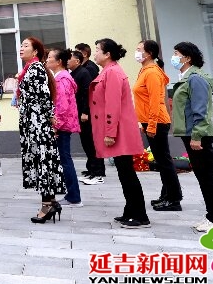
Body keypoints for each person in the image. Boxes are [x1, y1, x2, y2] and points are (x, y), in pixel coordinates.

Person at [90, 38, 148, 229]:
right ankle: (130, 210)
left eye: (97, 50)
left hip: (119, 130)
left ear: (107, 54)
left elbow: (113, 105)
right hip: (118, 129)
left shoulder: (113, 72)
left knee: (127, 173)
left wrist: (110, 132)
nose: (95, 53)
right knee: (124, 172)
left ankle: (140, 215)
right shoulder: (108, 71)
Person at [170, 41, 213, 233]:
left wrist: (197, 136)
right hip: (191, 133)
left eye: (177, 53)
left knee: (208, 175)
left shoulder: (195, 78)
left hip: (198, 134)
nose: (174, 57)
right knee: (203, 175)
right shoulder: (186, 77)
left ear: (187, 58)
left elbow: (200, 110)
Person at [18, 37, 65, 224]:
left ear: (35, 51)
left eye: (26, 46)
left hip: (38, 124)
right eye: (21, 45)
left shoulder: (36, 68)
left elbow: (44, 96)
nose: (21, 48)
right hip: (33, 123)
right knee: (42, 161)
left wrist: (50, 117)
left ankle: (47, 205)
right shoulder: (30, 68)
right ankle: (51, 201)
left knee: (43, 162)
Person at [133, 40, 182, 213]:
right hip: (150, 121)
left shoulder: (152, 72)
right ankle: (166, 194)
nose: (136, 52)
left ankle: (174, 199)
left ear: (149, 53)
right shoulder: (145, 70)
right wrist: (144, 123)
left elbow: (155, 101)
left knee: (164, 161)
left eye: (139, 49)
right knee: (162, 161)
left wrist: (152, 125)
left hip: (158, 121)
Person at [48, 49, 82, 208]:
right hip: (63, 124)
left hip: (62, 125)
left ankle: (74, 196)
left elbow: (61, 107)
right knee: (64, 159)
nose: (47, 60)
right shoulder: (61, 77)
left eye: (50, 57)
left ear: (59, 62)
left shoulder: (61, 79)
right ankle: (72, 194)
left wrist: (55, 126)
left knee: (65, 159)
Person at [75, 43, 106, 184]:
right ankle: (92, 168)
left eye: (77, 52)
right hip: (86, 111)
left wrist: (85, 111)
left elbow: (90, 92)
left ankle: (97, 171)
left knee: (92, 142)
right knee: (87, 142)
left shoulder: (89, 69)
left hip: (90, 112)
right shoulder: (83, 68)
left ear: (84, 54)